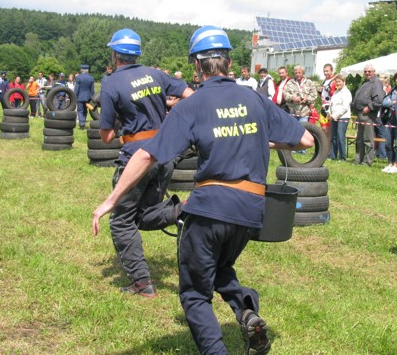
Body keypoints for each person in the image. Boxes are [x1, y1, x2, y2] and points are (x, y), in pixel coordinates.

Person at [92, 25, 313, 355]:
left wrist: (110, 201)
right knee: (220, 268)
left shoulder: (192, 106)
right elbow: (306, 140)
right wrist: (258, 137)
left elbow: (147, 154)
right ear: (228, 60)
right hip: (251, 210)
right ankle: (246, 311)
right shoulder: (254, 98)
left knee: (194, 293)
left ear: (196, 65)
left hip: (211, 208)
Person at [93, 28, 193, 298]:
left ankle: (141, 283)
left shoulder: (112, 83)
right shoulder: (156, 74)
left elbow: (106, 137)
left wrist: (113, 124)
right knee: (144, 214)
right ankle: (182, 211)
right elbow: (190, 95)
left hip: (137, 158)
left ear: (115, 55)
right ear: (137, 53)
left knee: (121, 221)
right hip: (165, 155)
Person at [351, 64, 385, 166]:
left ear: (374, 72)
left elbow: (378, 100)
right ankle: (358, 160)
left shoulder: (376, 83)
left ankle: (368, 161)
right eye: (365, 71)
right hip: (360, 113)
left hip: (368, 115)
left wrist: (369, 107)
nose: (367, 73)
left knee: (368, 139)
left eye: (369, 71)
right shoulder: (365, 82)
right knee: (360, 139)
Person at [328, 74, 352, 160]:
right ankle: (333, 156)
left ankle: (342, 157)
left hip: (343, 117)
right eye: (336, 82)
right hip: (333, 117)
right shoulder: (335, 92)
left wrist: (335, 115)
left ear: (344, 82)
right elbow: (332, 105)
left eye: (339, 81)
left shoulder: (346, 93)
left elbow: (344, 107)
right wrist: (330, 114)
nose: (337, 83)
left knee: (340, 137)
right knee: (333, 137)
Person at [319, 63, 337, 153]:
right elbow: (322, 95)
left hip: (329, 108)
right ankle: (324, 149)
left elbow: (335, 94)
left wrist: (329, 90)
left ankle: (328, 151)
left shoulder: (334, 81)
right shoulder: (324, 80)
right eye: (324, 71)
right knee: (323, 129)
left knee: (328, 130)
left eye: (327, 71)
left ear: (331, 71)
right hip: (323, 107)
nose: (325, 73)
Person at [74, 64, 95, 130]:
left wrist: (75, 96)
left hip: (80, 97)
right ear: (87, 70)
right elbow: (92, 90)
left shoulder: (78, 77)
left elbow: (77, 88)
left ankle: (81, 124)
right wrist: (92, 98)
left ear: (81, 69)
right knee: (85, 110)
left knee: (80, 110)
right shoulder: (91, 78)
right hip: (88, 97)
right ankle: (83, 122)